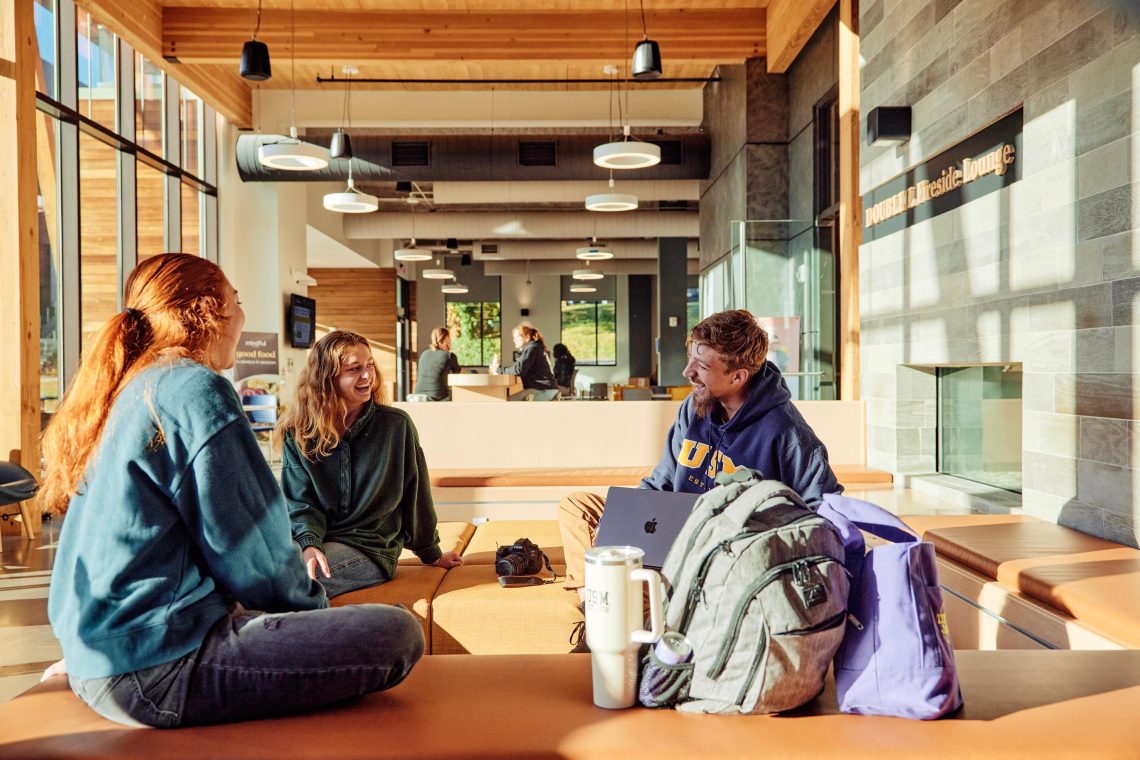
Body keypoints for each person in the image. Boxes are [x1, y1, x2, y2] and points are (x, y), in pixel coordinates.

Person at [40, 254, 424, 728]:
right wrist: (313, 618)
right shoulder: (195, 389)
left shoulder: (128, 388)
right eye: (236, 302)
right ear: (208, 311)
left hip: (95, 655)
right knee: (398, 631)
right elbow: (254, 550)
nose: (242, 316)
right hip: (158, 670)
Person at [558, 309, 842, 647]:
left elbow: (824, 509)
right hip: (673, 533)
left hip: (723, 554)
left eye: (702, 367)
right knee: (576, 506)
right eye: (693, 359)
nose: (687, 372)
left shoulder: (785, 431)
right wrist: (634, 516)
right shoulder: (693, 409)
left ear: (738, 377)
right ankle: (594, 610)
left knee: (653, 580)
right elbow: (662, 479)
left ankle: (634, 614)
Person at [277, 330, 463, 599]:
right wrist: (308, 544)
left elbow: (416, 495)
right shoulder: (298, 433)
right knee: (252, 577)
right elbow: (300, 502)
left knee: (293, 586)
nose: (367, 375)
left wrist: (430, 553)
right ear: (327, 378)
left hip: (370, 548)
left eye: (369, 365)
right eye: (354, 369)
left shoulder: (395, 426)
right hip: (315, 542)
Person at [490, 323, 559, 399]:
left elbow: (518, 370)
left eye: (517, 337)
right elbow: (519, 368)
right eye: (513, 337)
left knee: (506, 401)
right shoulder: (534, 348)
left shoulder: (531, 349)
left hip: (543, 390)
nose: (514, 340)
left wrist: (498, 370)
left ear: (527, 337)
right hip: (548, 389)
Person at [413, 326, 462, 401]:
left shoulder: (424, 354)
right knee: (458, 394)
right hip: (438, 397)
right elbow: (457, 374)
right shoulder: (449, 355)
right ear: (446, 339)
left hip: (418, 395)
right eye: (449, 338)